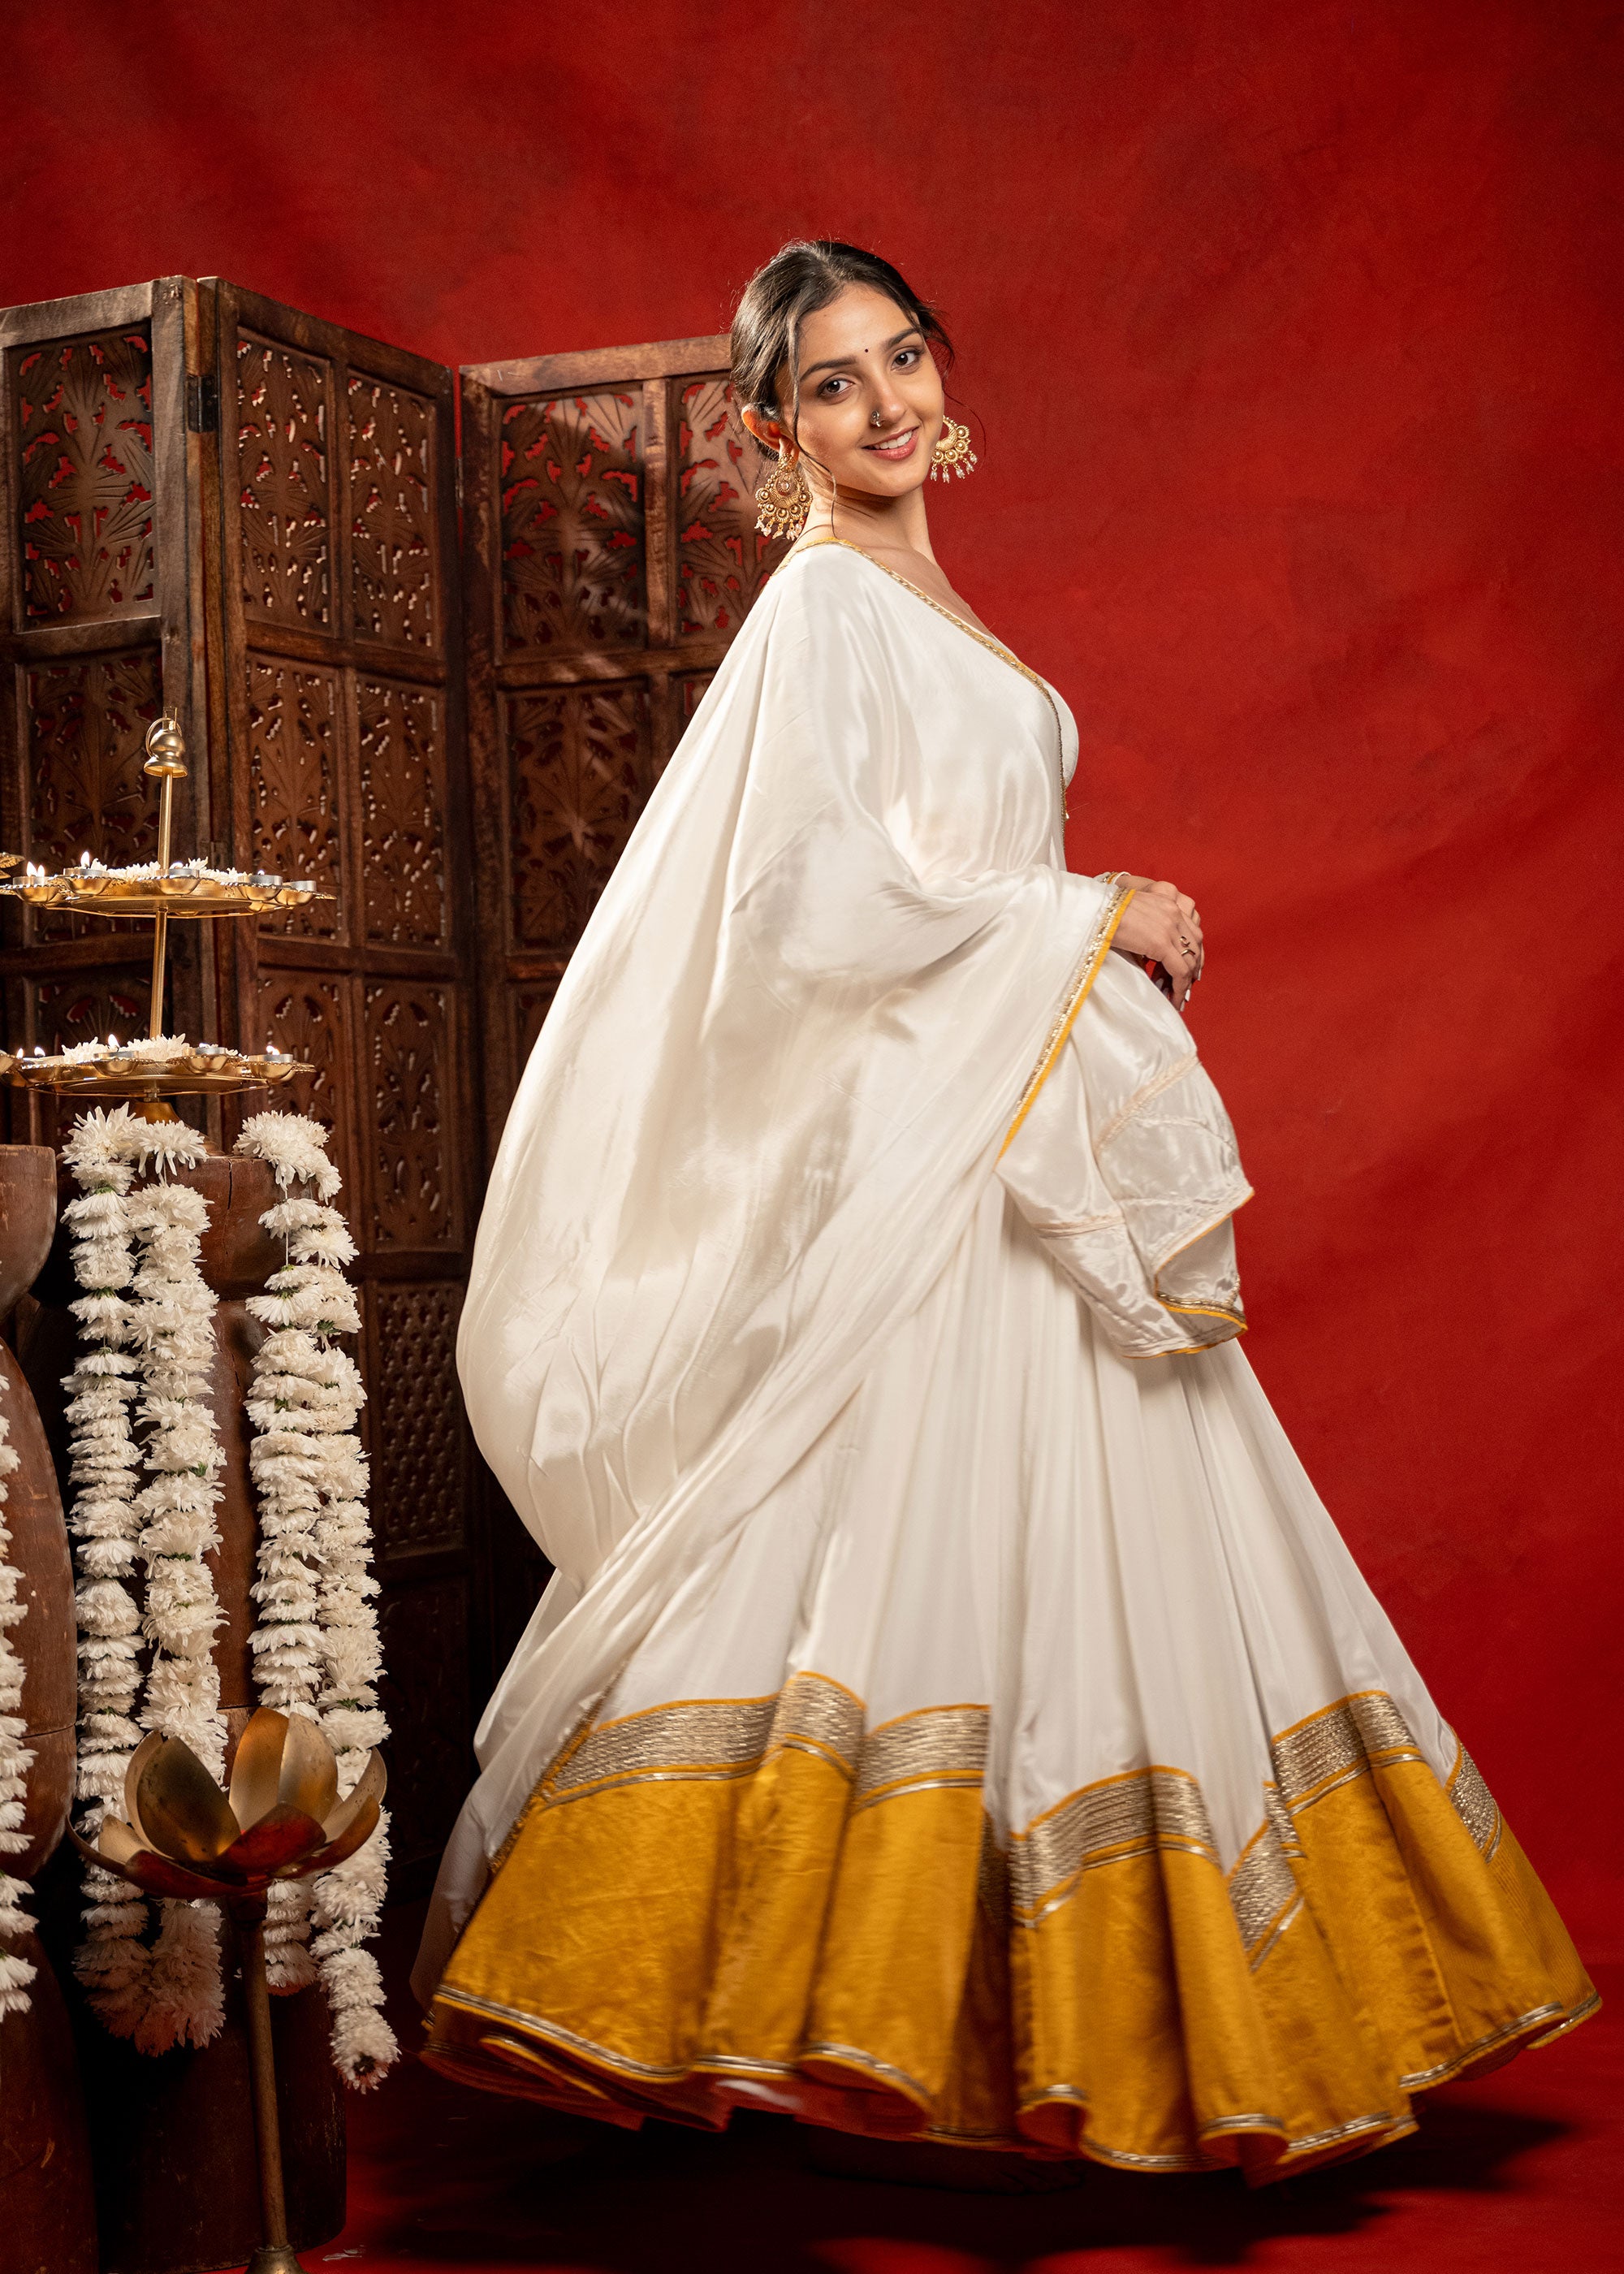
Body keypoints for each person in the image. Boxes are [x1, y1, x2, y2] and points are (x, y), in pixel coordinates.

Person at [412, 240, 1594, 2181]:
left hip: (1019, 1128)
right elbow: (803, 904)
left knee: (1085, 1568)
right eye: (831, 383)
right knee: (904, 1552)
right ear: (772, 428)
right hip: (933, 1159)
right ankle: (777, 1995)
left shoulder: (919, 599)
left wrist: (1070, 931)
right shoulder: (822, 610)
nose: (885, 404)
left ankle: (1108, 2027)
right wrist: (1087, 912)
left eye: (902, 358)